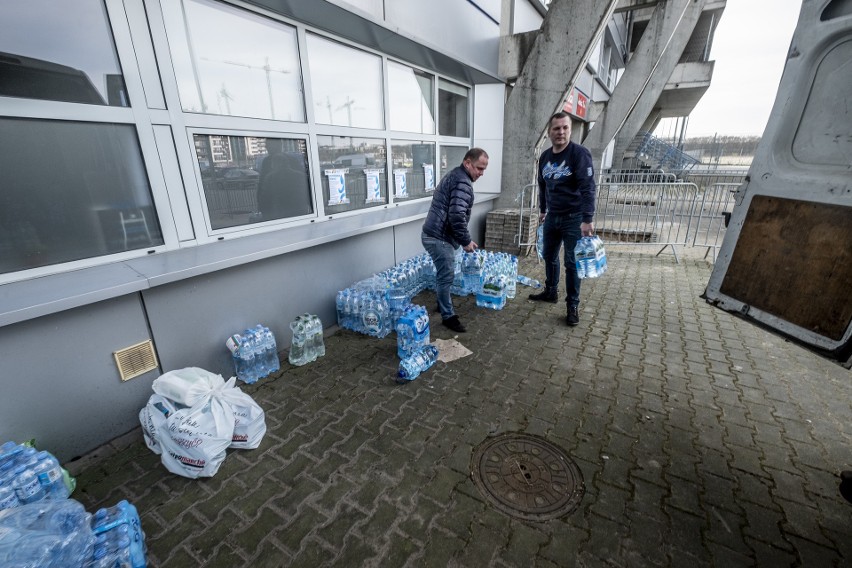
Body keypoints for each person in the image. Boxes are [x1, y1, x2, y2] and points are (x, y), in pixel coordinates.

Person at [529, 112, 596, 326]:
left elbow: (588, 189)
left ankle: (572, 305)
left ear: (570, 130)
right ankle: (550, 291)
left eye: (565, 128)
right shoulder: (546, 157)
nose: (561, 132)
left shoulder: (579, 154)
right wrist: (542, 209)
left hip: (574, 218)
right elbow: (542, 186)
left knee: (572, 263)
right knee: (549, 255)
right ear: (549, 132)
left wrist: (587, 219)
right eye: (556, 128)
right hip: (552, 217)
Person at [421, 148, 489, 333]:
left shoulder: (456, 175)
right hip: (438, 237)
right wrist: (466, 241)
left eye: (484, 169)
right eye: (479, 168)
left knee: (443, 274)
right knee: (446, 276)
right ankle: (448, 316)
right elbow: (457, 216)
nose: (481, 173)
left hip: (433, 233)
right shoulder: (462, 182)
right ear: (467, 163)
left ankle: (441, 303)